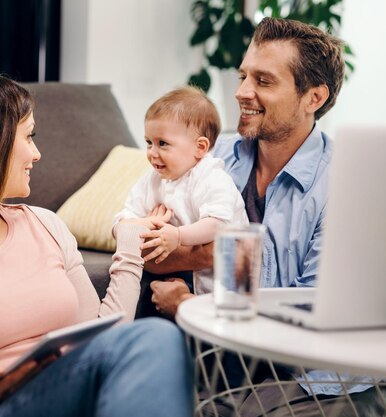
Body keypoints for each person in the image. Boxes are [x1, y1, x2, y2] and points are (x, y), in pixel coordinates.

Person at [0, 69, 194, 417]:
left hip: (66, 395)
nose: (37, 153)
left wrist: (129, 243)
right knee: (156, 339)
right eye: (29, 137)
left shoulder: (46, 225)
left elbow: (107, 342)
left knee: (155, 337)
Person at [146, 17, 383, 416]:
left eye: (264, 81)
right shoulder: (212, 155)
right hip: (224, 357)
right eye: (243, 76)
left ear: (314, 97)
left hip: (310, 376)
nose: (241, 92)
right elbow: (151, 250)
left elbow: (310, 314)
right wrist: (208, 253)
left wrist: (192, 293)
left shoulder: (342, 183)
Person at [113, 86, 248, 295]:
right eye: (149, 143)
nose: (152, 153)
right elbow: (125, 217)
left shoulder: (212, 178)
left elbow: (218, 224)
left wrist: (178, 235)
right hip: (182, 274)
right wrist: (133, 225)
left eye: (163, 144)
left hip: (221, 284)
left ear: (200, 148)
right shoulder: (152, 179)